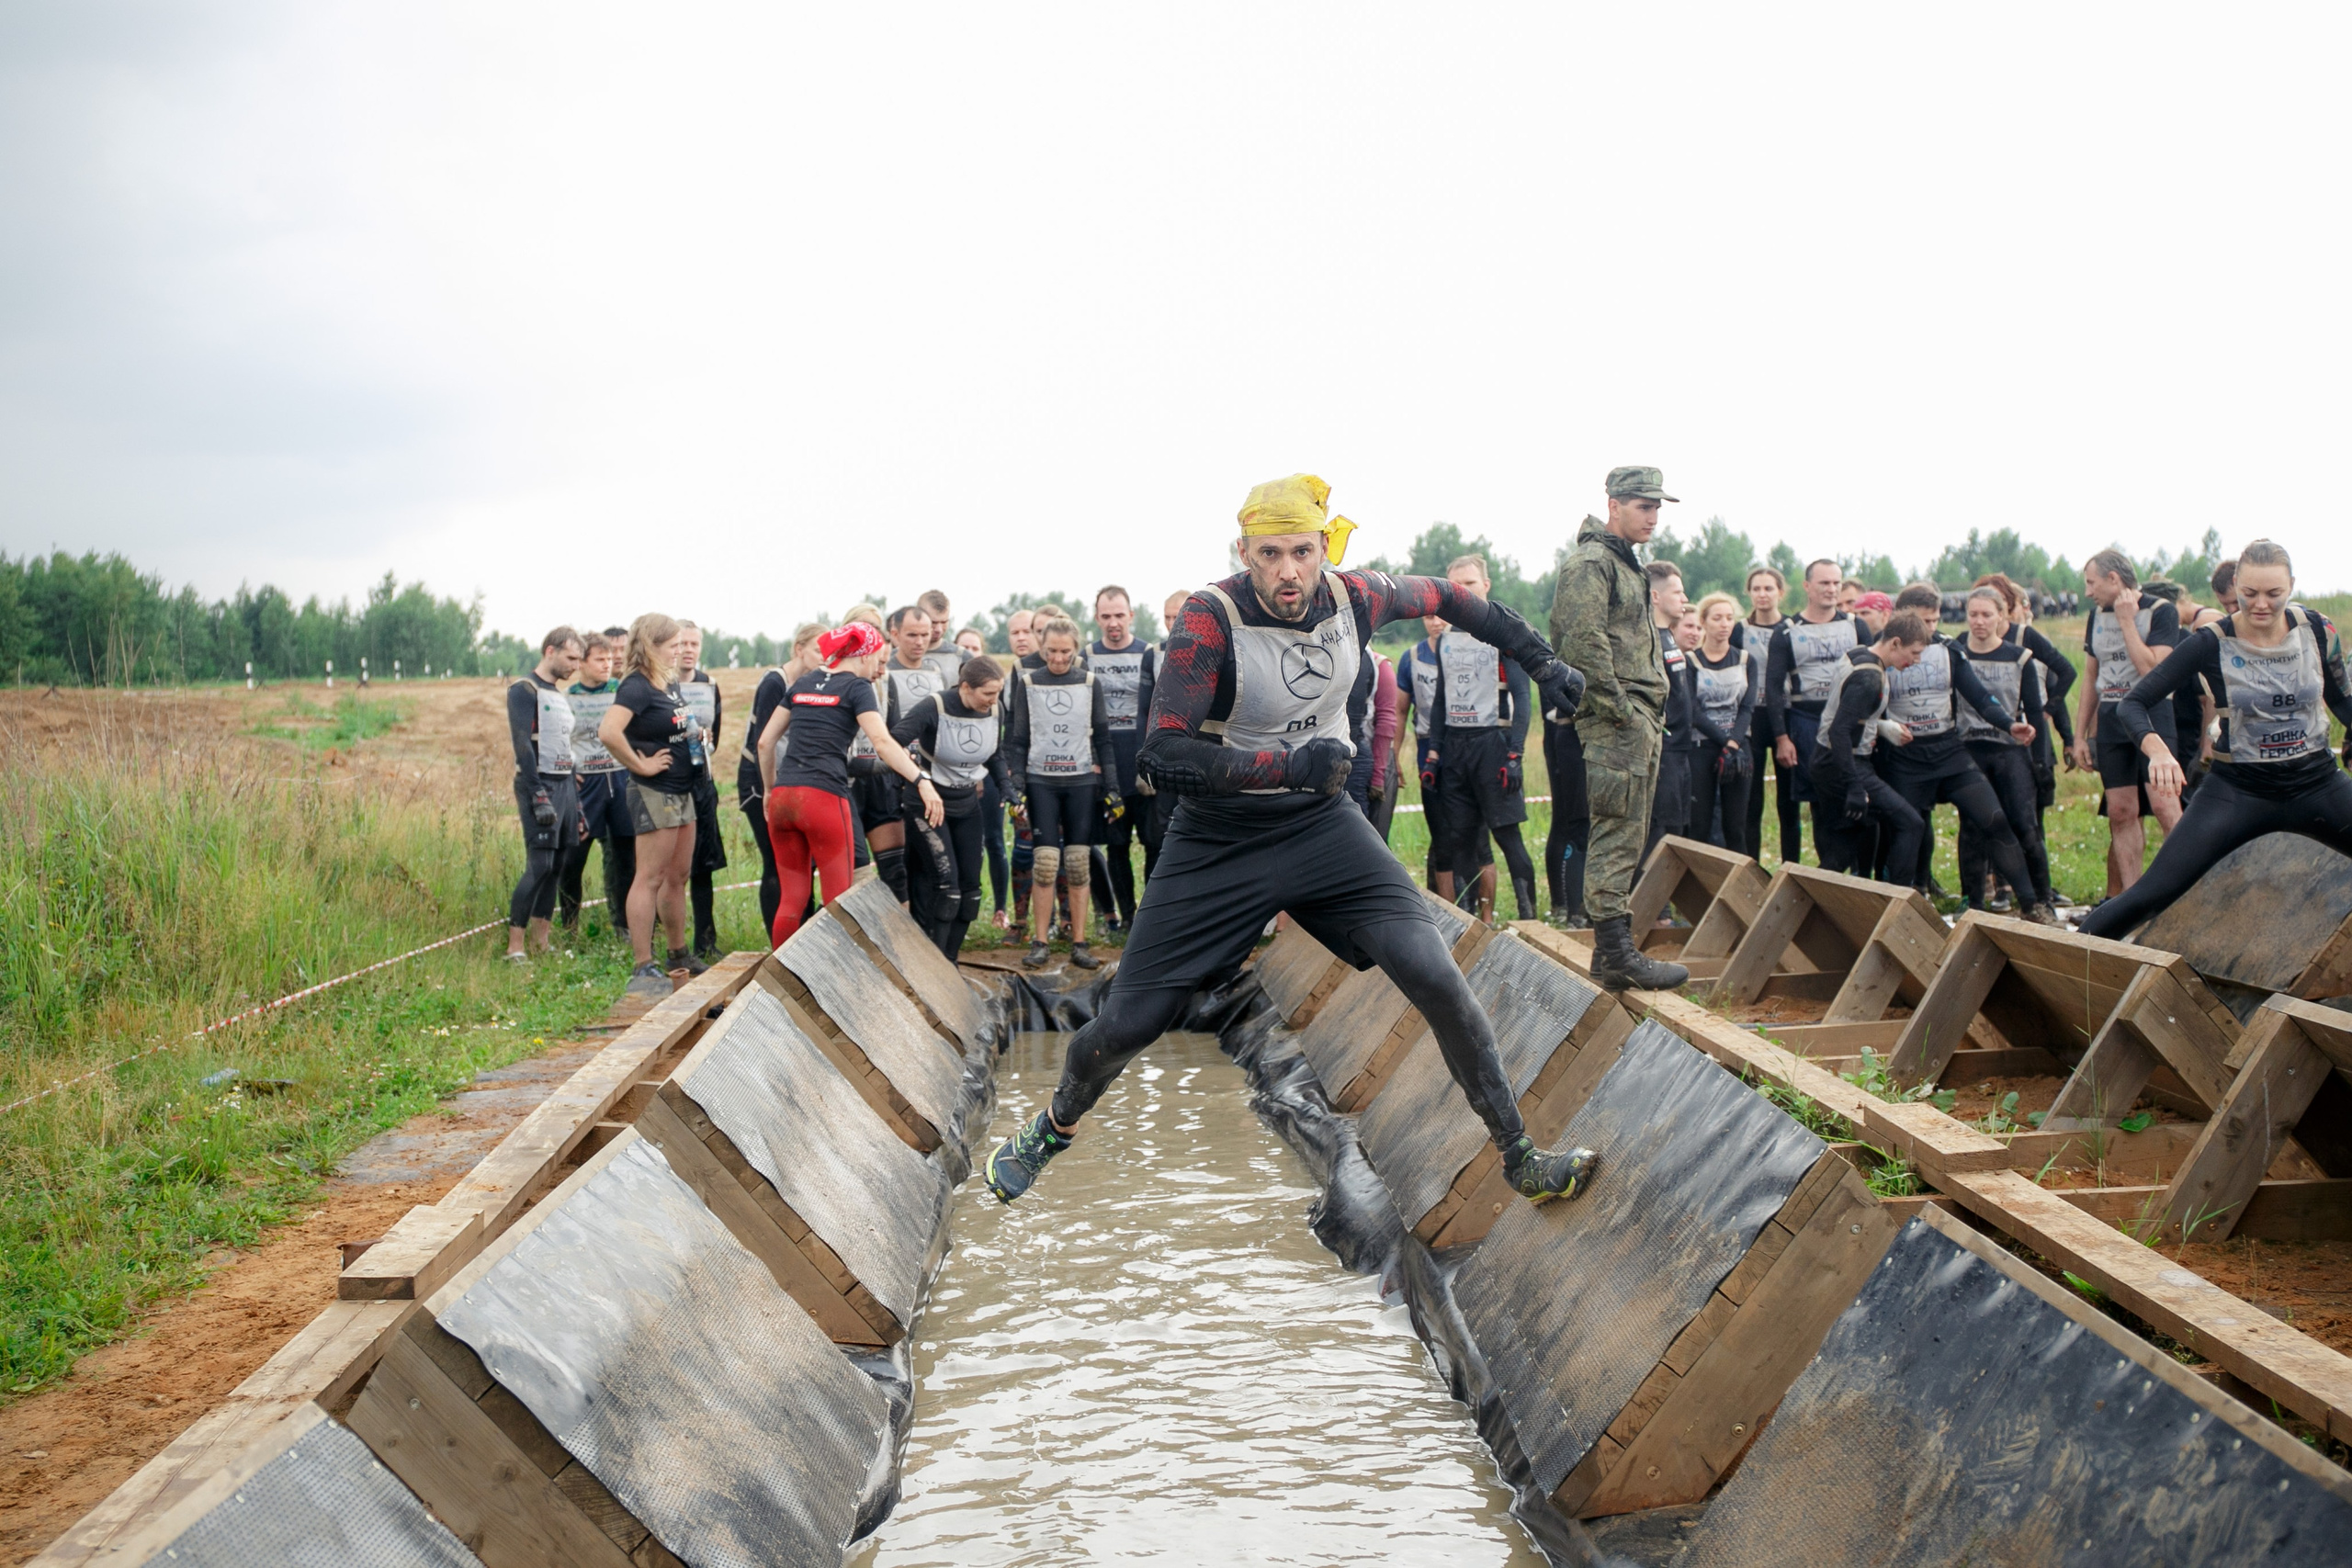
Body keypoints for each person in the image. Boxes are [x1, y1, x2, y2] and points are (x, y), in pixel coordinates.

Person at [982, 472, 1596, 1211]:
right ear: (1243, 552)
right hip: (1216, 839)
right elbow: (1162, 755)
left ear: (1322, 549)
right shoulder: (1211, 620)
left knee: (1436, 973)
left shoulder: (1357, 596)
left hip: (1320, 827)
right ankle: (1053, 1125)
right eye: (1269, 555)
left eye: (1302, 553)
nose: (1287, 573)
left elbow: (1457, 599)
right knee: (1127, 1027)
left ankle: (1520, 1156)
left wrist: (1542, 660)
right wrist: (1284, 765)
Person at [2082, 541, 2352, 940]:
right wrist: (2157, 751)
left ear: (2291, 586)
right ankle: (2060, 972)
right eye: (2249, 594)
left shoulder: (2317, 630)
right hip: (2240, 791)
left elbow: (2343, 702)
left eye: (2274, 594)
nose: (2261, 604)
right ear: (2236, 587)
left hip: (2316, 784)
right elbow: (2134, 704)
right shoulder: (2210, 641)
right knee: (2150, 895)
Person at [1551, 467, 1689, 992]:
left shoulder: (1623, 563)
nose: (1652, 516)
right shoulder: (1592, 564)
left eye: (1657, 507)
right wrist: (1621, 712)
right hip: (1619, 720)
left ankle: (1609, 957)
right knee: (1614, 833)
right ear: (1613, 505)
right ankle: (1617, 952)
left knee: (1628, 833)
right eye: (1642, 506)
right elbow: (1582, 645)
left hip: (1637, 718)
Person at [1871, 584, 2052, 919]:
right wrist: (1884, 728)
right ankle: (1897, 909)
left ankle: (2032, 905)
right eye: (1924, 621)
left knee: (1995, 819)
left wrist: (2008, 724)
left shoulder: (1948, 650)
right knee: (1907, 830)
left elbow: (1980, 697)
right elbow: (1863, 708)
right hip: (1906, 759)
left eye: (1935, 620)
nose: (1931, 629)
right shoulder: (1880, 654)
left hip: (1947, 750)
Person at [758, 622, 941, 945]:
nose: (878, 670)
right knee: (838, 903)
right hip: (824, 798)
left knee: (791, 899)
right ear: (865, 654)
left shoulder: (804, 682)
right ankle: (836, 985)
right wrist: (921, 779)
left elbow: (765, 742)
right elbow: (883, 743)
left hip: (784, 795)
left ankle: (779, 982)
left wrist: (770, 790)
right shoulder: (856, 688)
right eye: (877, 659)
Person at [598, 615, 712, 997]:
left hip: (683, 789)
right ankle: (642, 965)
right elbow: (609, 731)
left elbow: (672, 725)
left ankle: (678, 954)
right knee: (650, 877)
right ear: (652, 645)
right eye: (674, 644)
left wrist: (696, 734)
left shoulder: (666, 682)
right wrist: (640, 764)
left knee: (678, 876)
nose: (680, 649)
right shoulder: (635, 686)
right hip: (654, 790)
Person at [1431, 554, 1541, 921]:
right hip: (1456, 748)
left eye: (1470, 584)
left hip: (1494, 744)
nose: (1463, 592)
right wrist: (1433, 752)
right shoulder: (1444, 637)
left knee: (1508, 837)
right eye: (1456, 586)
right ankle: (1469, 922)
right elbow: (1440, 700)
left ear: (1486, 586)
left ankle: (1529, 920)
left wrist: (1516, 755)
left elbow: (1524, 698)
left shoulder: (1504, 631)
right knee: (1461, 838)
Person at [2073, 549, 2183, 897]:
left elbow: (2152, 668)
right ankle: (2133, 899)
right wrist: (2080, 736)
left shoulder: (2161, 611)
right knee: (2121, 811)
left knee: (2166, 806)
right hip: (2110, 716)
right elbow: (2092, 675)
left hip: (2152, 714)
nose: (2088, 592)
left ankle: (2181, 889)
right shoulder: (2095, 616)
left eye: (2092, 583)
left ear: (2113, 579)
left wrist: (2125, 621)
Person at [1006, 615, 1112, 969]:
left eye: (1065, 652)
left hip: (1081, 781)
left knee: (1079, 864)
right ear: (1042, 646)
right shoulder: (1028, 682)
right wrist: (1016, 787)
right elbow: (1018, 741)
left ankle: (1080, 943)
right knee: (1046, 863)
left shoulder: (1089, 682)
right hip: (1041, 782)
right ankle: (1040, 941)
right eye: (1051, 651)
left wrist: (1112, 787)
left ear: (1075, 649)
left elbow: (1103, 737)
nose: (1058, 659)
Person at [894, 655, 1012, 958]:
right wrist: (917, 775)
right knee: (948, 888)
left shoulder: (995, 709)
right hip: (927, 804)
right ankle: (935, 962)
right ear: (965, 688)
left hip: (966, 803)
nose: (993, 700)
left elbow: (995, 755)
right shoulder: (935, 706)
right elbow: (893, 742)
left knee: (971, 891)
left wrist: (1009, 790)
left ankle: (951, 960)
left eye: (997, 693)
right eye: (987, 694)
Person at [1952, 587, 2060, 917]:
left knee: (2024, 826)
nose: (1979, 622)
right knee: (1972, 828)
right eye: (1973, 614)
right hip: (1971, 749)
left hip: (2011, 751)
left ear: (2002, 616)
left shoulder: (2020, 657)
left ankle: (2043, 900)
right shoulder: (1956, 652)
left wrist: (2040, 762)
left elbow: (2035, 711)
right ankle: (1973, 902)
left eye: (1987, 615)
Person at [1809, 612, 1935, 881]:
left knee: (1847, 844)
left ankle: (1804, 896)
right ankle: (1899, 899)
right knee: (1911, 824)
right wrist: (1854, 786)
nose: (1916, 661)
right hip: (1843, 763)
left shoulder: (1857, 654)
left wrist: (1881, 727)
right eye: (1914, 653)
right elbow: (1840, 731)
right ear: (1895, 643)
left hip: (1831, 760)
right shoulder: (1869, 677)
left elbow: (1847, 714)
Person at [1765, 559, 1858, 863]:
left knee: (1856, 798)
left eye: (1836, 583)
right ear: (1807, 587)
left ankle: (1859, 874)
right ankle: (1828, 875)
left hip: (1852, 721)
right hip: (1807, 722)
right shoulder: (1787, 632)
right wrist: (1782, 737)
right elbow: (1774, 687)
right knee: (1820, 803)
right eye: (1824, 583)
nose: (1831, 589)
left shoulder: (1856, 626)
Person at [737, 622, 827, 937]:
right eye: (818, 650)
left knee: (805, 864)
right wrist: (769, 789)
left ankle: (803, 934)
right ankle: (779, 942)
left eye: (828, 651)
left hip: (794, 780)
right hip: (761, 781)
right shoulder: (776, 683)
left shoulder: (816, 682)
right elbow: (766, 740)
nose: (824, 657)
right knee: (778, 862)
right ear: (798, 649)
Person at [505, 627, 586, 959]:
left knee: (556, 866)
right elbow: (522, 743)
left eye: (579, 660)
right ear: (550, 651)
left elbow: (564, 745)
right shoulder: (524, 690)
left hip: (565, 784)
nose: (575, 666)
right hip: (538, 784)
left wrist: (577, 805)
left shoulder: (559, 695)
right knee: (538, 865)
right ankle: (515, 948)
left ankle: (542, 942)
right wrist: (537, 794)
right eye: (570, 658)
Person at [1400, 611, 1490, 901]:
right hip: (1429, 750)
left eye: (1441, 617)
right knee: (1441, 836)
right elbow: (1400, 711)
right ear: (1422, 621)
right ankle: (1448, 911)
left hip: (1468, 748)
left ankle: (1482, 912)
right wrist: (1394, 755)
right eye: (1429, 618)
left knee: (1478, 838)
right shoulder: (1411, 657)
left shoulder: (1476, 652)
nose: (1436, 622)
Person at [1090, 585, 1159, 931]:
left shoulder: (1150, 652)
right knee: (1116, 846)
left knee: (1153, 844)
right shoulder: (1085, 656)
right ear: (1096, 617)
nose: (1113, 623)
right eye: (1106, 616)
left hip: (1144, 766)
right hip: (1106, 767)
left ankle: (1150, 917)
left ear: (1131, 615)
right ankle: (1127, 917)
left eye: (1119, 615)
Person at [560, 632, 636, 941]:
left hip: (620, 779)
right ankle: (569, 927)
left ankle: (624, 926)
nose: (608, 664)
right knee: (574, 858)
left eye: (609, 659)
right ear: (582, 663)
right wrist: (567, 771)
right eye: (600, 660)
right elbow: (557, 740)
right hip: (585, 784)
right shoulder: (568, 698)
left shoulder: (621, 690)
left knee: (625, 857)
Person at [673, 623, 727, 962]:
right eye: (682, 644)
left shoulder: (710, 686)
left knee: (703, 865)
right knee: (670, 867)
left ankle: (706, 940)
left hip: (702, 782)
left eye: (694, 643)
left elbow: (715, 739)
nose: (688, 650)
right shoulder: (661, 685)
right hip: (669, 785)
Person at [1690, 592, 1758, 853]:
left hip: (1739, 746)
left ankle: (1738, 890)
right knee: (1700, 826)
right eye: (1717, 618)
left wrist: (1733, 745)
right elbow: (1693, 711)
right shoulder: (1691, 661)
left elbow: (1747, 706)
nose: (1724, 624)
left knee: (1735, 828)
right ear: (1704, 622)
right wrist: (1724, 742)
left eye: (1729, 618)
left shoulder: (1746, 660)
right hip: (1703, 746)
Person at [1741, 567, 1797, 863]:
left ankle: (1792, 870)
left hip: (1784, 717)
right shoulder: (1739, 629)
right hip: (1751, 717)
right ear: (1749, 593)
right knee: (1752, 802)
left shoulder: (1791, 628)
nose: (1763, 594)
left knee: (1788, 802)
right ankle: (1751, 870)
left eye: (1769, 589)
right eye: (1757, 589)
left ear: (1780, 592)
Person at [1645, 565, 1699, 858]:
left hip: (1681, 750)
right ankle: (1654, 904)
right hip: (1662, 752)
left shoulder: (1669, 637)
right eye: (1677, 592)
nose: (1684, 597)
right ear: (1655, 596)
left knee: (1678, 830)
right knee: (1659, 833)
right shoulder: (1648, 638)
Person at [1355, 645, 1401, 840]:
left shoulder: (1380, 665)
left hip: (1377, 755)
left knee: (1376, 837)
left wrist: (1377, 777)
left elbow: (1386, 722)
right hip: (1352, 755)